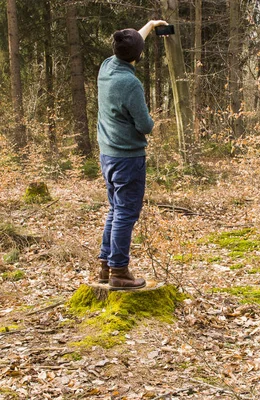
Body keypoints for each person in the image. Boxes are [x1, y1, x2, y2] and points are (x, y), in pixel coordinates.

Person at [97, 20, 167, 290]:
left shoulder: (107, 67)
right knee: (126, 213)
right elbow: (145, 126)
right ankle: (119, 271)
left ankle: (106, 266)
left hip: (108, 155)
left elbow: (129, 43)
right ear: (139, 56)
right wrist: (152, 120)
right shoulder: (130, 83)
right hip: (128, 159)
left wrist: (149, 25)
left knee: (116, 210)